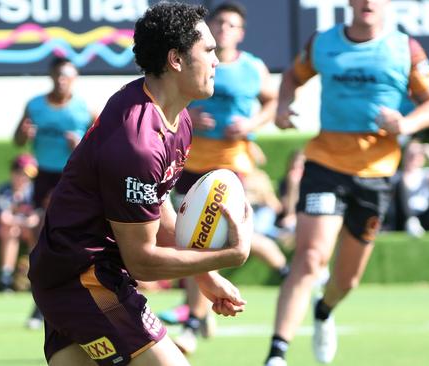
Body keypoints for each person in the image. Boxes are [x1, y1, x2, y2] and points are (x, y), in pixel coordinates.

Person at [28, 3, 252, 365]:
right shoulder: (138, 142)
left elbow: (156, 204)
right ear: (176, 59)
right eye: (208, 51)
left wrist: (207, 277)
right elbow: (143, 261)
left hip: (75, 275)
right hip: (84, 278)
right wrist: (230, 255)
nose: (217, 61)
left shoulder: (176, 118)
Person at [265, 1, 429, 365]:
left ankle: (325, 309)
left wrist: (406, 125)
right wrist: (284, 107)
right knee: (311, 257)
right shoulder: (322, 42)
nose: (367, 2)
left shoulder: (405, 48)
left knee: (346, 280)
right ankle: (277, 354)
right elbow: (291, 77)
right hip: (325, 164)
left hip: (376, 174)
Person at [168, 1, 277, 354]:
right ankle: (200, 310)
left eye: (232, 25)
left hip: (230, 168)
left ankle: (193, 323)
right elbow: (171, 100)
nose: (225, 29)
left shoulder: (253, 68)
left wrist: (251, 125)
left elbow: (273, 102)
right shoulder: (194, 61)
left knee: (204, 243)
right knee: (186, 242)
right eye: (220, 23)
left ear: (241, 32)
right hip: (189, 162)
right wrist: (191, 117)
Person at [14, 56, 94, 326]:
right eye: (58, 76)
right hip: (45, 177)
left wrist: (80, 144)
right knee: (41, 235)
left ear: (75, 79)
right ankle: (42, 300)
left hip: (72, 176)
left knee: (71, 238)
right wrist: (25, 133)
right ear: (51, 76)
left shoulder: (83, 109)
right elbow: (17, 139)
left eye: (67, 77)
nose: (62, 81)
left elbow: (98, 146)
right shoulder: (35, 105)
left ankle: (77, 297)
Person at [0, 153, 39, 292]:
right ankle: (5, 277)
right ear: (13, 173)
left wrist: (24, 222)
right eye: (21, 173)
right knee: (11, 230)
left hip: (25, 230)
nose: (24, 178)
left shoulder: (34, 191)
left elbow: (36, 219)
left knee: (36, 231)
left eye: (28, 175)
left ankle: (34, 274)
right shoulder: (4, 190)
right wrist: (25, 221)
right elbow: (4, 219)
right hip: (2, 229)